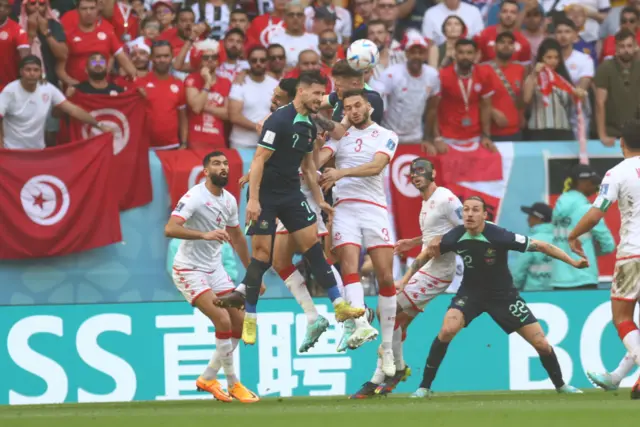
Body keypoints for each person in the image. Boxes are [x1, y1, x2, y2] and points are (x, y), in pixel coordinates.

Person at [214, 71, 365, 345]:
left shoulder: (308, 125)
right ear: (302, 92)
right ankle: (250, 318)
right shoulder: (279, 120)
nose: (321, 99)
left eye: (323, 94)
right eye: (317, 93)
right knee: (261, 256)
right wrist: (253, 199)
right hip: (266, 196)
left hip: (291, 195)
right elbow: (259, 160)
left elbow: (308, 167)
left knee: (313, 249)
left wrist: (319, 200)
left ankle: (339, 305)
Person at [410, 196, 586, 398]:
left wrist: (573, 262)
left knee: (541, 344)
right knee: (447, 329)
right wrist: (406, 279)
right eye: (466, 209)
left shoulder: (500, 236)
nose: (469, 214)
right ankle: (424, 387)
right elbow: (427, 252)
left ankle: (561, 385)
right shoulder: (455, 236)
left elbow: (542, 245)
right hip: (471, 294)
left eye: (475, 210)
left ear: (485, 215)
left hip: (503, 296)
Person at [351, 158, 462, 399]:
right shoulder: (426, 203)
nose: (415, 175)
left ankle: (394, 370)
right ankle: (384, 375)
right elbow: (434, 235)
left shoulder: (446, 199)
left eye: (421, 171)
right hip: (427, 266)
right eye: (412, 172)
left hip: (439, 272)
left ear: (433, 173)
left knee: (387, 312)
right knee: (396, 323)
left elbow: (465, 229)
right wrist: (412, 242)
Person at [164, 151, 259, 403]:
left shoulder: (228, 200)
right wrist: (203, 235)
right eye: (216, 164)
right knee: (222, 319)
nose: (223, 167)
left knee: (238, 322)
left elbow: (237, 236)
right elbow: (170, 228)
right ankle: (233, 384)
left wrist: (253, 275)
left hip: (214, 269)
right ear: (206, 171)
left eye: (225, 163)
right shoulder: (195, 197)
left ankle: (208, 377)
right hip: (189, 269)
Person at [316, 89, 399, 374]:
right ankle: (362, 323)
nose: (352, 110)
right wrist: (315, 145)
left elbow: (377, 167)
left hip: (374, 207)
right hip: (345, 208)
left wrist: (340, 173)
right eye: (348, 107)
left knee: (386, 275)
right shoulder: (340, 137)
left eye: (357, 105)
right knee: (349, 265)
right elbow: (316, 163)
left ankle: (386, 349)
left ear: (369, 108)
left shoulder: (386, 135)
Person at [568, 119, 640, 399]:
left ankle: (618, 376)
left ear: (622, 143)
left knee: (622, 317)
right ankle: (617, 377)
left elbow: (597, 212)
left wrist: (574, 234)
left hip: (633, 253)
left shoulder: (617, 173)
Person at [0, 55, 111, 149]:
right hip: (12, 150)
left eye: (36, 70)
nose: (32, 73)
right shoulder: (9, 91)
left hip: (37, 151)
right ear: (21, 72)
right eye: (28, 70)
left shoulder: (47, 88)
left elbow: (73, 110)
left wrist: (99, 125)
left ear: (41, 72)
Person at [551, 164, 615, 290]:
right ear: (582, 182)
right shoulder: (588, 210)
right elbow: (609, 245)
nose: (597, 186)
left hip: (559, 278)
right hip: (584, 276)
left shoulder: (558, 207)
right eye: (593, 182)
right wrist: (589, 251)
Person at [377, 32, 439, 151]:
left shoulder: (433, 75)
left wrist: (427, 138)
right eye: (413, 52)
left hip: (416, 138)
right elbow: (378, 107)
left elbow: (432, 109)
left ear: (425, 55)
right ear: (406, 53)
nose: (416, 56)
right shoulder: (391, 74)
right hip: (389, 138)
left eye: (420, 52)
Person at [434, 39, 496, 154]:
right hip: (448, 137)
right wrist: (437, 138)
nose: (465, 56)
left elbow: (486, 106)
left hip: (475, 136)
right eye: (461, 52)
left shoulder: (484, 74)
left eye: (469, 53)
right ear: (455, 54)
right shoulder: (443, 75)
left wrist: (486, 135)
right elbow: (433, 109)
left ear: (476, 55)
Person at [58, 0, 137, 87]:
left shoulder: (107, 30)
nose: (88, 12)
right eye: (84, 9)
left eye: (92, 8)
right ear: (77, 11)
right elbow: (59, 69)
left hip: (102, 89)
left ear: (97, 10)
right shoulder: (68, 34)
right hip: (77, 90)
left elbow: (123, 59)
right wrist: (75, 85)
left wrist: (138, 81)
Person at [523, 38, 584, 141]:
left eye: (556, 58)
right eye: (549, 57)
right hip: (538, 130)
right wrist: (534, 74)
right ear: (541, 58)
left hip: (563, 130)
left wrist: (579, 95)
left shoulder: (564, 80)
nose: (553, 61)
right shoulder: (533, 77)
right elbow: (526, 99)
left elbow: (573, 105)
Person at [136, 40, 187, 150]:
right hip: (146, 147)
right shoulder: (140, 83)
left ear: (172, 57)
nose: (162, 60)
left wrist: (183, 143)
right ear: (151, 58)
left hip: (173, 146)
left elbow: (182, 117)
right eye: (158, 56)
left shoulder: (179, 84)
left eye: (166, 56)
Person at [595, 29, 640, 147]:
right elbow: (600, 102)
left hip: (635, 133)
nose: (626, 50)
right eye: (622, 46)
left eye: (630, 46)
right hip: (612, 134)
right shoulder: (605, 68)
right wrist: (602, 134)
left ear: (635, 46)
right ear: (616, 48)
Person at [228, 46, 278, 149]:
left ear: (267, 62)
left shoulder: (276, 85)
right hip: (242, 142)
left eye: (262, 60)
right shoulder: (239, 83)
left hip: (269, 143)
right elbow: (234, 116)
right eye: (254, 60)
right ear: (248, 62)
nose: (258, 63)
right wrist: (259, 128)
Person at [184, 39, 230, 150]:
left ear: (219, 60)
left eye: (214, 57)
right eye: (205, 58)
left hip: (218, 141)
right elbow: (196, 108)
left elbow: (228, 114)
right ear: (199, 60)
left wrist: (204, 107)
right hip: (196, 141)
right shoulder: (191, 79)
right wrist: (207, 83)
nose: (210, 60)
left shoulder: (226, 82)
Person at [485, 31, 526, 142]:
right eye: (502, 42)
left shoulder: (520, 69)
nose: (506, 45)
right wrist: (492, 111)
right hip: (491, 132)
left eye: (510, 43)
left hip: (516, 131)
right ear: (494, 47)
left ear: (514, 48)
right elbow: (474, 98)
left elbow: (522, 97)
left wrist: (522, 115)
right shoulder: (482, 69)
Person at [512, 202, 554, 292]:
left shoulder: (531, 241)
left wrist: (511, 291)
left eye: (530, 216)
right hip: (560, 294)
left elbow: (518, 274)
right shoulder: (561, 241)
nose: (528, 219)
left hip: (533, 295)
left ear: (538, 218)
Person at [270, 2, 319, 68]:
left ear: (304, 18)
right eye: (291, 15)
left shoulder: (315, 39)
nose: (295, 18)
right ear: (284, 18)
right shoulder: (275, 41)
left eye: (299, 15)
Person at [0, 0, 30, 92]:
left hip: (7, 88)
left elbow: (26, 57)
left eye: (6, 7)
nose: (1, 9)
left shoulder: (17, 30)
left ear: (9, 10)